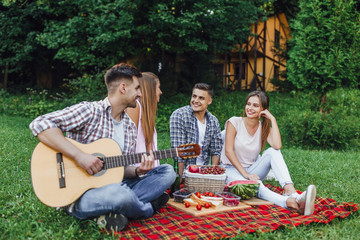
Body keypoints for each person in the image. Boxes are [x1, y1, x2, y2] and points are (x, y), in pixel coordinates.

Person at [29, 63, 176, 232]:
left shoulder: (129, 126)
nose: (140, 94)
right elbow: (39, 123)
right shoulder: (90, 111)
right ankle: (146, 208)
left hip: (116, 184)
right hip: (82, 193)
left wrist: (138, 171)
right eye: (137, 88)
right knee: (119, 194)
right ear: (123, 88)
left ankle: (114, 210)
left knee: (167, 172)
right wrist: (79, 156)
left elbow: (121, 168)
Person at [221, 90, 316, 215]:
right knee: (257, 185)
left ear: (263, 109)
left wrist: (273, 119)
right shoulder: (234, 122)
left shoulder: (263, 127)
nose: (250, 108)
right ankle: (289, 202)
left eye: (255, 105)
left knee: (273, 152)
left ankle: (290, 191)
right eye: (248, 104)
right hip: (231, 170)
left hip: (252, 169)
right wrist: (246, 175)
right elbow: (228, 151)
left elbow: (277, 145)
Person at [170, 83, 223, 178]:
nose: (196, 101)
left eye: (201, 98)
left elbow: (216, 150)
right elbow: (178, 152)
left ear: (209, 101)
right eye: (194, 96)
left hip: (204, 172)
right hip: (186, 172)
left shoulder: (213, 121)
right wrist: (180, 180)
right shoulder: (179, 115)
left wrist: (213, 176)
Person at [127, 72, 162, 167]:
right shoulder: (135, 107)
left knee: (168, 171)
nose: (160, 92)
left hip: (146, 168)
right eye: (158, 87)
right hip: (133, 168)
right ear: (150, 89)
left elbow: (149, 147)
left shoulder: (148, 113)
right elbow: (129, 145)